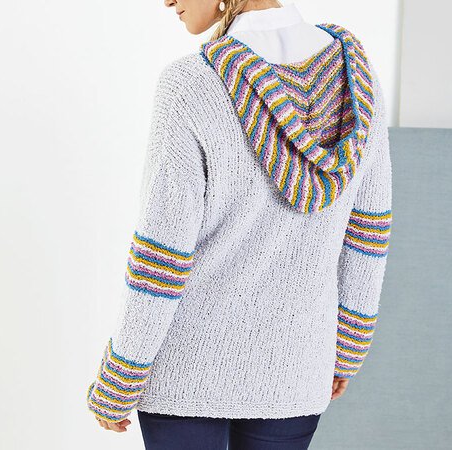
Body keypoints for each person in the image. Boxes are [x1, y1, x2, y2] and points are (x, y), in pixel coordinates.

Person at [86, 1, 393, 448]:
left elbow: (162, 257)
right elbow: (368, 232)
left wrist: (121, 374)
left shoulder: (190, 85)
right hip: (297, 369)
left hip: (187, 373)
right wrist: (346, 350)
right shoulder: (356, 80)